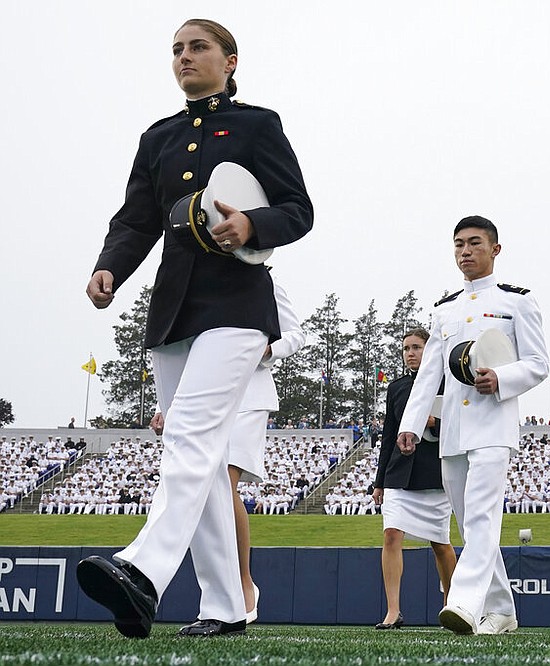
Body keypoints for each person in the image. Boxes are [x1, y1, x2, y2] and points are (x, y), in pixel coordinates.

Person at [76, 18, 312, 639]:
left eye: (198, 47)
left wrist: (253, 226)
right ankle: (225, 607)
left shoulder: (258, 125)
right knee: (201, 460)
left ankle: (143, 569)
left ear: (231, 61)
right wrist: (109, 268)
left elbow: (298, 209)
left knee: (189, 435)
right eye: (177, 49)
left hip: (237, 305)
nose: (185, 57)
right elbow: (136, 219)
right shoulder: (157, 138)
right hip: (174, 310)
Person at [396, 216, 549, 635]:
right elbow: (430, 372)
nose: (465, 251)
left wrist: (502, 378)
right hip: (454, 430)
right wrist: (410, 423)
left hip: (494, 425)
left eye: (475, 243)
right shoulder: (444, 309)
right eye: (459, 244)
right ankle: (502, 611)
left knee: (482, 515)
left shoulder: (518, 302)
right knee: (469, 521)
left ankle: (463, 601)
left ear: (495, 249)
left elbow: (539, 364)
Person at [151, 279, 302, 627]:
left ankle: (244, 584)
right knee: (208, 489)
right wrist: (169, 407)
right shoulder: (196, 284)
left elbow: (295, 334)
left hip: (249, 398)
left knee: (224, 484)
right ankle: (224, 595)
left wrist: (266, 350)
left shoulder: (265, 283)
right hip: (206, 401)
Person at [372, 328, 457, 630]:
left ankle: (452, 606)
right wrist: (379, 480)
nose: (410, 353)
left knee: (441, 544)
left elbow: (462, 425)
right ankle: (393, 611)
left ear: (430, 350)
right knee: (391, 535)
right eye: (406, 348)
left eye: (417, 347)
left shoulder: (450, 382)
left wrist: (436, 421)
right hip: (398, 473)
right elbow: (388, 436)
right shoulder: (395, 388)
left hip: (435, 474)